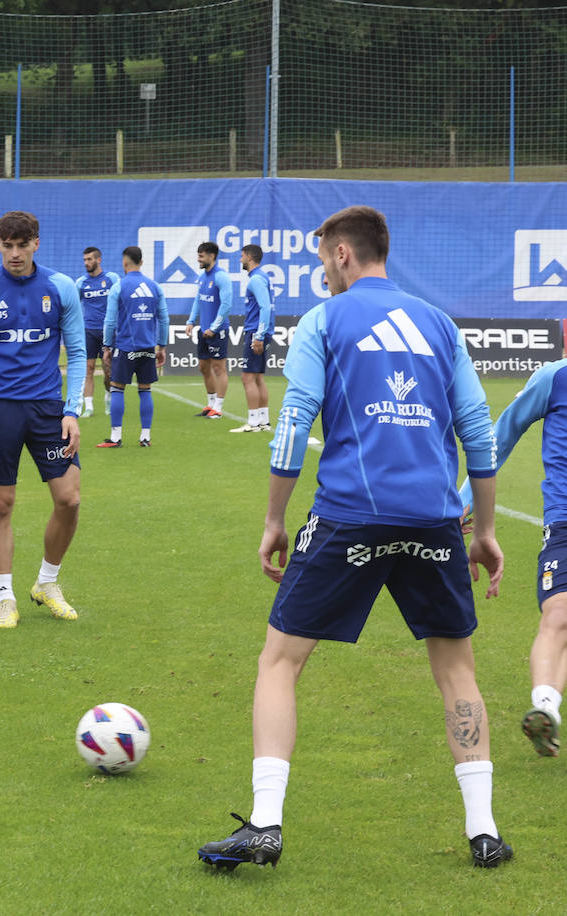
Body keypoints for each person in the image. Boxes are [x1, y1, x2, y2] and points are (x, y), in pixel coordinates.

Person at [197, 205, 511, 870]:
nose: (323, 273)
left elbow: (292, 427)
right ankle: (484, 831)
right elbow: (479, 434)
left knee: (280, 662)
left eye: (322, 261)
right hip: (434, 519)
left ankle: (265, 824)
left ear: (342, 254)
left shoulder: (324, 321)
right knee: (456, 667)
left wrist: (275, 519)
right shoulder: (440, 325)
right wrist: (481, 529)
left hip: (349, 516)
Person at [0, 210, 85, 629]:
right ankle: (5, 598)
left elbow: (78, 354)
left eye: (22, 245)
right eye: (7, 246)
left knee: (69, 498)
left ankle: (47, 583)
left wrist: (72, 411)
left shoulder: (61, 287)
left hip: (48, 408)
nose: (15, 253)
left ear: (36, 243)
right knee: (1, 505)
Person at [456, 359, 567, 759]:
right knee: (558, 615)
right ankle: (545, 709)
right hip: (565, 524)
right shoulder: (555, 377)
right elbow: (500, 436)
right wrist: (464, 503)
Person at [99, 246, 168, 448]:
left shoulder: (119, 287)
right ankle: (145, 437)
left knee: (117, 389)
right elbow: (163, 319)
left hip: (126, 347)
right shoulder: (155, 287)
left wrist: (106, 347)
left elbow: (110, 322)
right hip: (148, 348)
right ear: (141, 262)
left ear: (125, 262)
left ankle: (115, 437)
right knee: (145, 390)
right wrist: (161, 347)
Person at [184, 241, 234, 420]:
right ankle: (210, 404)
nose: (198, 259)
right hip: (203, 330)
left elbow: (227, 305)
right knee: (203, 367)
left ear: (212, 256)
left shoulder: (221, 277)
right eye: (198, 255)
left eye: (201, 255)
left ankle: (218, 409)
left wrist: (214, 327)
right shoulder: (202, 276)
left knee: (219, 368)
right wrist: (191, 321)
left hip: (217, 331)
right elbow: (198, 300)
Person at [231, 244, 275, 433]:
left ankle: (253, 423)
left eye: (241, 256)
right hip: (261, 332)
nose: (240, 259)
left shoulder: (256, 279)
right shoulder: (262, 277)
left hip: (256, 332)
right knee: (257, 377)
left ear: (249, 257)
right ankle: (263, 421)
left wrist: (258, 336)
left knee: (247, 377)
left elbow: (265, 308)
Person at [74, 246, 119, 420]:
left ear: (99, 260)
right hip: (88, 330)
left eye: (89, 259)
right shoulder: (80, 283)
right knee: (88, 369)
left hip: (109, 331)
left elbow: (121, 302)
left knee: (109, 371)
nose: (86, 263)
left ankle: (108, 399)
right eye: (85, 260)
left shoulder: (112, 279)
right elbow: (74, 306)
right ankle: (89, 407)